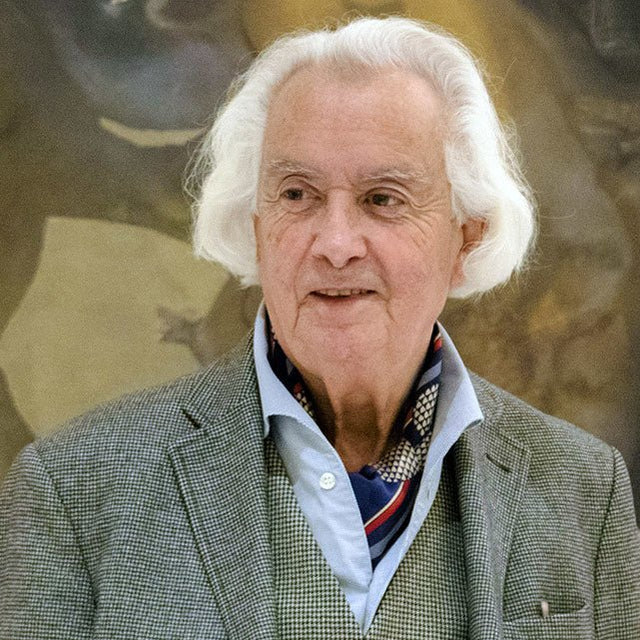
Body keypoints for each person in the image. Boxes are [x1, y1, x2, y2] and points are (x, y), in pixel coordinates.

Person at [1, 16, 639, 640]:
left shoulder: (585, 490)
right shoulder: (72, 489)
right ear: (256, 227)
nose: (335, 244)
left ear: (465, 237)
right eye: (297, 194)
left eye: (383, 198)